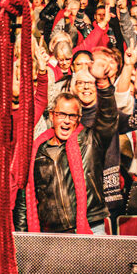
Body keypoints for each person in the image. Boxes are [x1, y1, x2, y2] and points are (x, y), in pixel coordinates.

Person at [26, 89, 118, 234]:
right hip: (52, 232)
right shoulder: (36, 150)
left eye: (72, 116)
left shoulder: (90, 140)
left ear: (79, 118)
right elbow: (25, 200)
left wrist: (104, 86)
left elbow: (108, 118)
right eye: (61, 114)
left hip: (91, 226)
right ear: (52, 115)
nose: (67, 120)